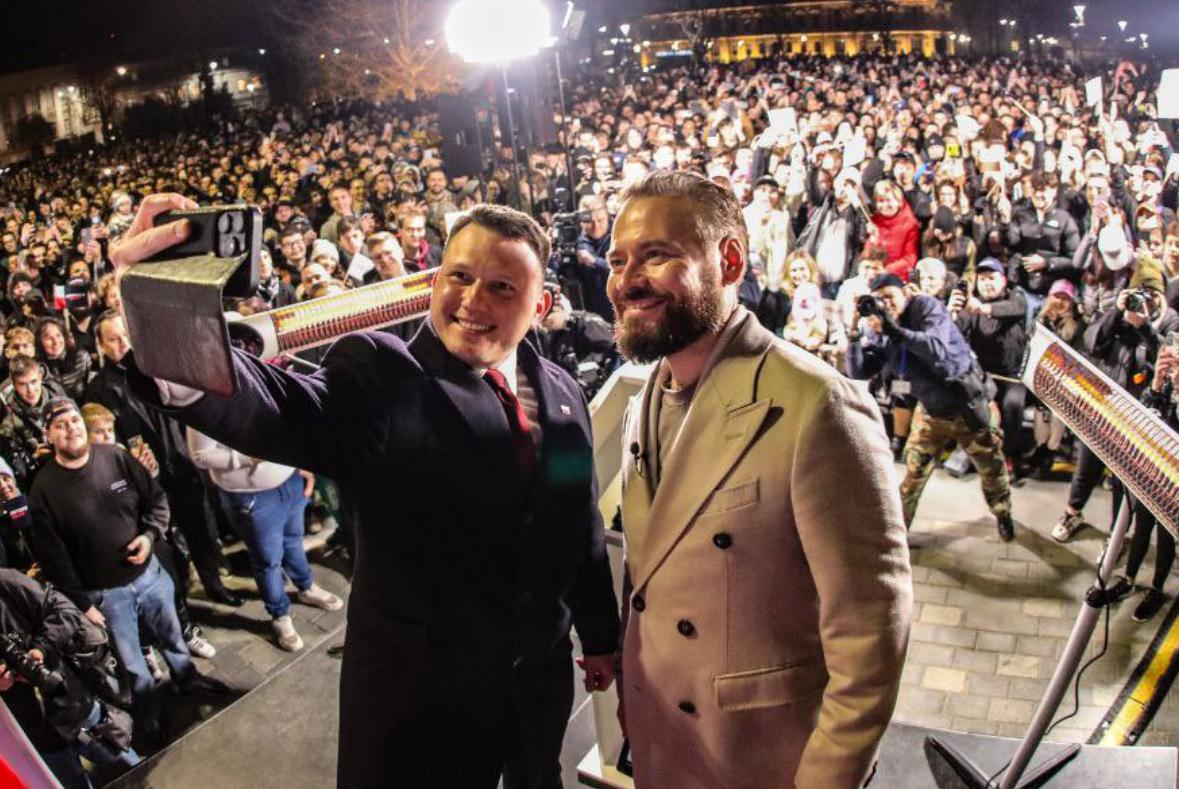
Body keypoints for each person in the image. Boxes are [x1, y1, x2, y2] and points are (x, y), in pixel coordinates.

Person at [112, 194, 620, 789]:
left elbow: (577, 522)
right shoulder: (383, 374)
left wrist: (600, 635)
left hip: (537, 683)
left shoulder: (561, 391)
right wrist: (163, 313)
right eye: (459, 276)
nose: (472, 301)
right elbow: (276, 406)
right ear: (434, 281)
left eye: (502, 287)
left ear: (541, 304)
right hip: (423, 709)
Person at [607, 171, 911, 788]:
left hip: (761, 762)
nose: (627, 280)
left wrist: (825, 780)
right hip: (664, 746)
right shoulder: (646, 400)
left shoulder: (816, 405)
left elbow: (872, 632)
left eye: (656, 255)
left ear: (730, 261)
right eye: (618, 261)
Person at [28, 398, 228, 728]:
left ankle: (187, 677)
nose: (71, 429)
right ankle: (147, 706)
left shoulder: (116, 457)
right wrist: (84, 604)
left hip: (150, 575)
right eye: (60, 425)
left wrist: (149, 537)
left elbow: (156, 500)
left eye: (74, 420)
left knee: (172, 634)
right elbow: (54, 559)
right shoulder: (43, 490)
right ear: (49, 435)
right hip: (106, 596)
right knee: (131, 659)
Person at [849, 273, 1016, 540]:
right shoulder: (879, 327)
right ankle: (896, 535)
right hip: (930, 411)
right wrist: (853, 332)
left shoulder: (925, 307)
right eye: (878, 300)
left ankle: (1002, 512)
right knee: (913, 475)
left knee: (991, 470)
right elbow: (859, 371)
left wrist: (892, 329)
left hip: (968, 406)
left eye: (889, 296)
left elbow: (936, 350)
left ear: (905, 292)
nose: (884, 304)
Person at [186, 428, 343, 652]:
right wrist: (248, 458)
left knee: (294, 540)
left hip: (290, 480)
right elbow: (201, 455)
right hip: (252, 496)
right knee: (268, 560)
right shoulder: (205, 409)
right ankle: (280, 614)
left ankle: (306, 587)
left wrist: (302, 463)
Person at [0, 568, 141, 788]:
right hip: (33, 736)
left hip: (74, 706)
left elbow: (65, 611)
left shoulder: (6, 582)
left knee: (133, 770)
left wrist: (40, 649)